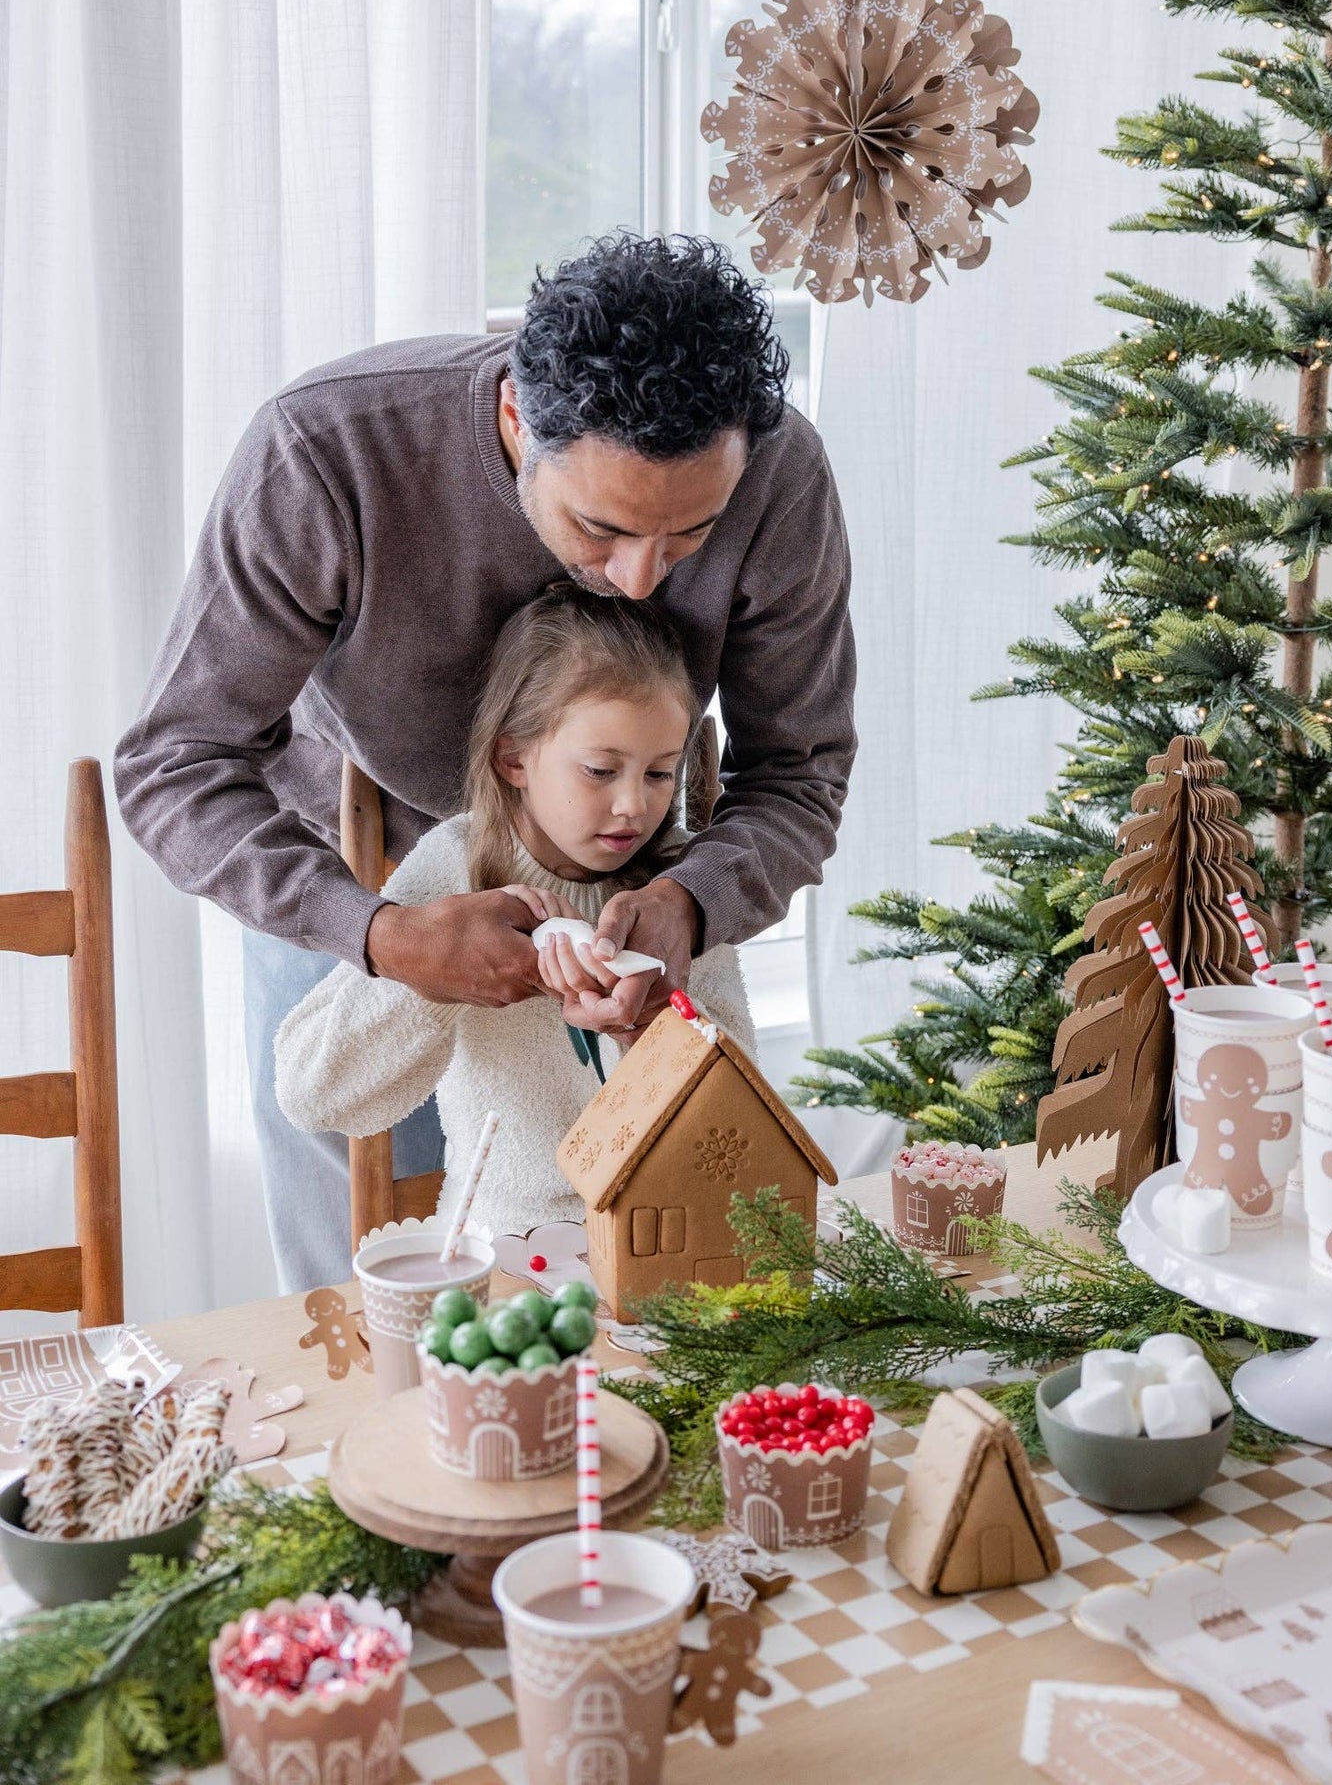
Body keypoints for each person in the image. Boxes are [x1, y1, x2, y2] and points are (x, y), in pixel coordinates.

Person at [114, 233, 855, 1290]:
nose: (640, 582)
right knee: (358, 1266)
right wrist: (375, 933)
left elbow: (798, 771)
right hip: (358, 873)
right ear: (516, 415)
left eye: (688, 536)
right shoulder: (326, 452)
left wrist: (689, 903)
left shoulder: (779, 477)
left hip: (630, 874)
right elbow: (174, 760)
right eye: (599, 527)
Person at [273, 587, 753, 1245]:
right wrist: (438, 974)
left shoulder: (678, 887)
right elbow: (313, 1094)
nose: (632, 807)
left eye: (659, 774)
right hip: (500, 1247)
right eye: (600, 770)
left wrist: (648, 1026)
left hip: (660, 1245)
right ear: (514, 758)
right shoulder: (456, 869)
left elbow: (737, 1112)